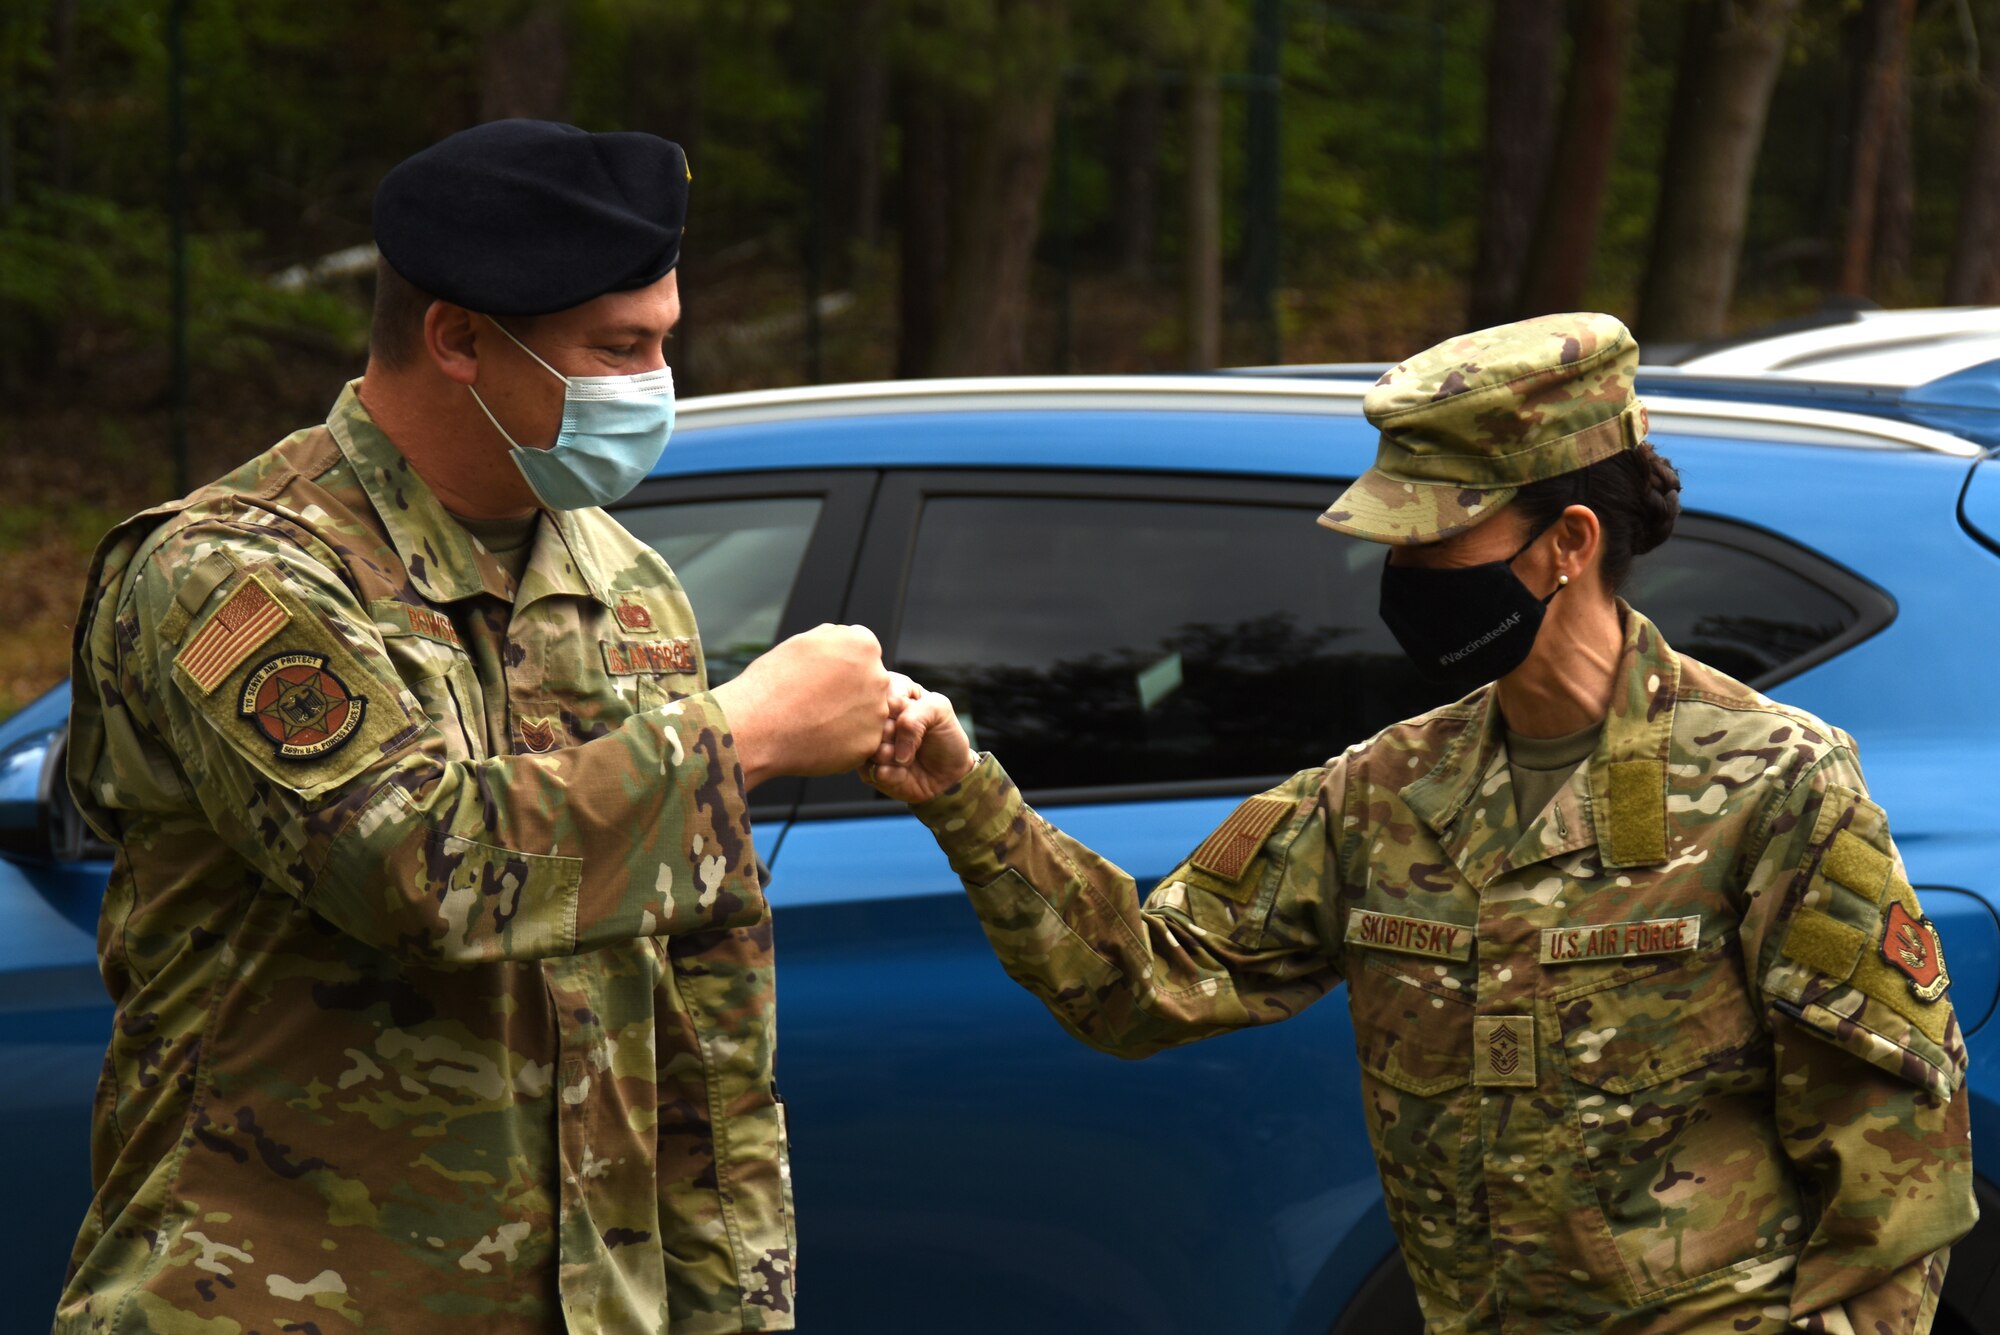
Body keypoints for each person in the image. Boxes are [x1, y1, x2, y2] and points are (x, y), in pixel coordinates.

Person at [869, 313, 1976, 1333]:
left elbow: (1893, 1161)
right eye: (1391, 543)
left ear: (1566, 542)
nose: (1398, 574)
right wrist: (966, 797)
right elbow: (1139, 984)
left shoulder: (1770, 783)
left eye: (1435, 542)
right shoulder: (1382, 792)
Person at [59, 119, 889, 1334]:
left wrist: (735, 1313)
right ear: (455, 338)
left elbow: (702, 1010)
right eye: (617, 347)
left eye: (663, 341)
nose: (652, 383)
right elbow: (419, 868)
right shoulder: (233, 575)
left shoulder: (627, 583)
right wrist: (744, 734)